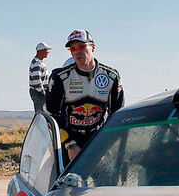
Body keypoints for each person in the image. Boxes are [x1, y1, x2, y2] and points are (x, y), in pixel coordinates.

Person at [47, 29, 124, 161]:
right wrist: (70, 144)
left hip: (98, 139)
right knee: (66, 180)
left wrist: (105, 144)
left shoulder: (111, 76)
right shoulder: (60, 77)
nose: (77, 51)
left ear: (92, 48)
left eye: (81, 46)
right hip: (69, 140)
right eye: (72, 48)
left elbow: (117, 115)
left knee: (104, 178)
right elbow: (52, 116)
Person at [29, 42, 52, 111]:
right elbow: (37, 82)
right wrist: (44, 94)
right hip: (38, 93)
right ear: (41, 51)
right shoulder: (37, 64)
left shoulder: (39, 63)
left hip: (39, 93)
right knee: (41, 114)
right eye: (46, 50)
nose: (48, 52)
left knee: (42, 113)